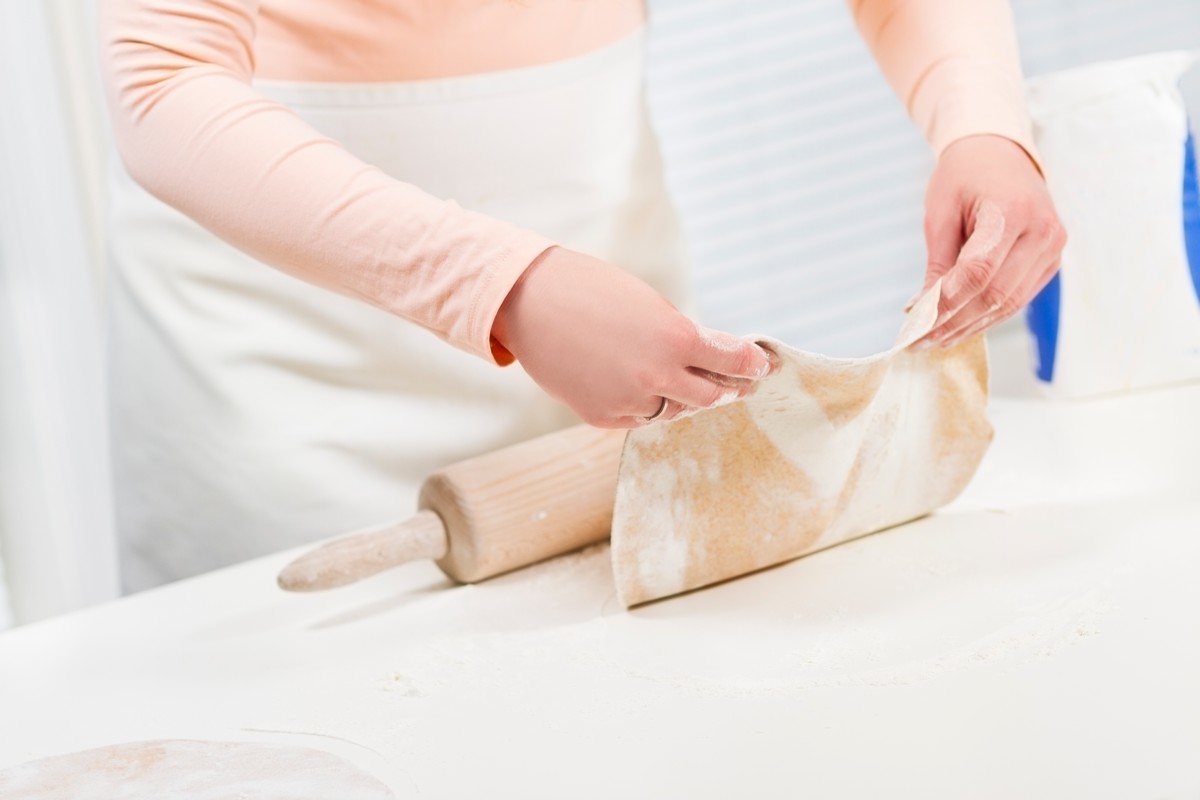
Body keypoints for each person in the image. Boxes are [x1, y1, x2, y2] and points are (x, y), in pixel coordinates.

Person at [98, 0, 1065, 591]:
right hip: (291, 354)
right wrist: (499, 284)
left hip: (601, 312)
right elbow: (162, 85)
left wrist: (979, 120)